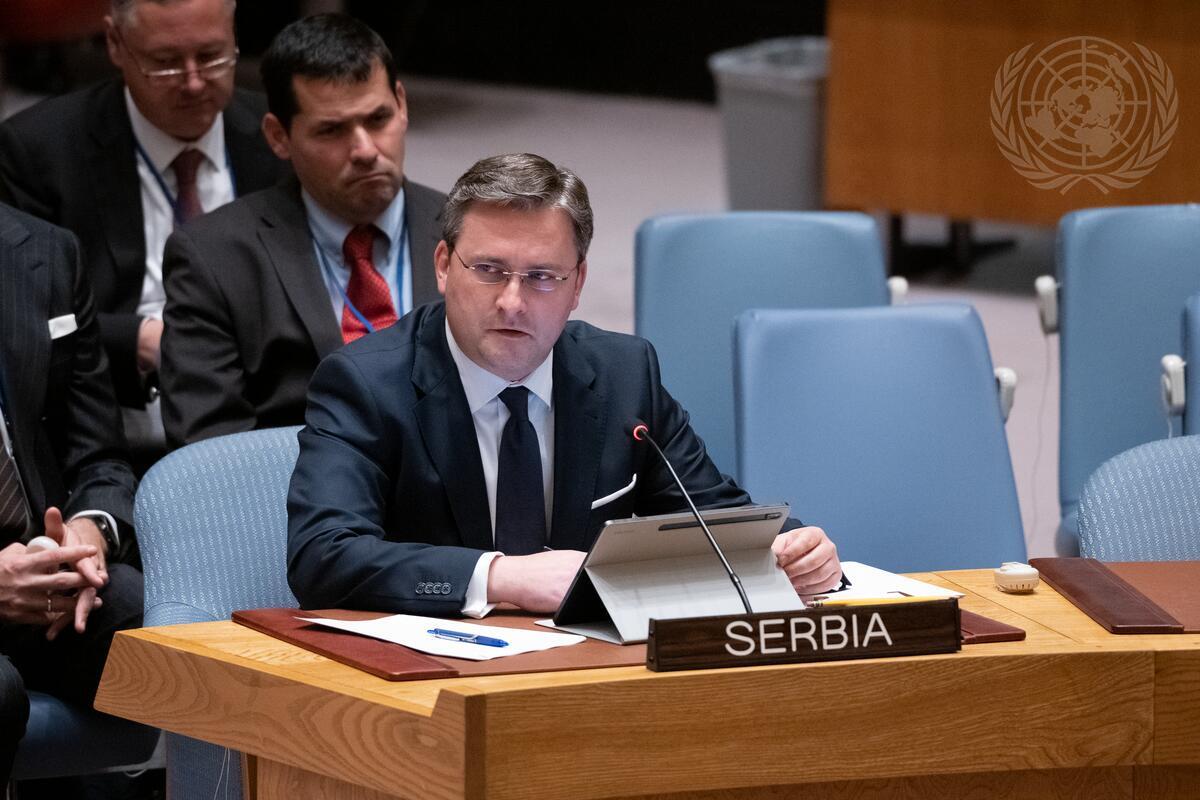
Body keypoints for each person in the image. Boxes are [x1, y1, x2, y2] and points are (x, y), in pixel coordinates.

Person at [287, 153, 841, 617]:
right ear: (443, 266)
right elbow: (323, 556)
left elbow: (715, 519)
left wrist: (791, 548)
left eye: (542, 277)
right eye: (488, 270)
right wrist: (500, 577)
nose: (512, 302)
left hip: (589, 667)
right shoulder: (366, 382)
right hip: (430, 675)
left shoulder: (625, 373)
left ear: (578, 285)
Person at [0, 0, 285, 459]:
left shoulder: (282, 136)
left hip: (261, 423)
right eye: (166, 63)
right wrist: (142, 340)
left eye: (211, 57)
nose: (194, 82)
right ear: (115, 43)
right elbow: (26, 318)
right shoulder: (39, 151)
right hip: (107, 431)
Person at [159, 13, 445, 448]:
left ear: (401, 105)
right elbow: (210, 455)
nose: (365, 150)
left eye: (378, 119)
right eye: (332, 130)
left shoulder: (468, 232)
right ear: (278, 136)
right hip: (293, 486)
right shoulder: (215, 259)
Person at [0, 202, 143, 785]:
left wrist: (88, 535)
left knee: (178, 642)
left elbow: (98, 454)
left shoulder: (47, 251)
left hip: (49, 571)